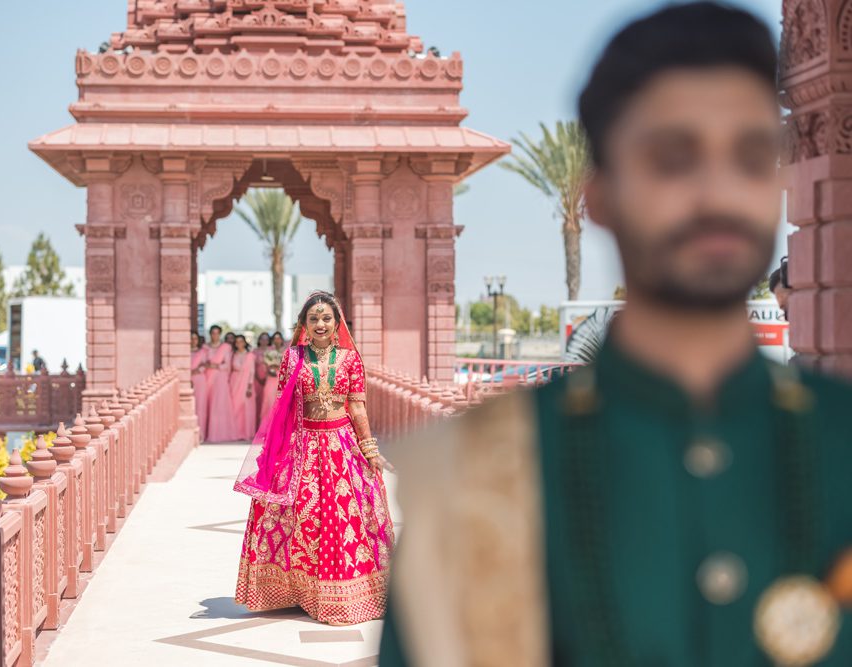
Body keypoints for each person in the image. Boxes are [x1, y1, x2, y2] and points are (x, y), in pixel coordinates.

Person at [380, 4, 852, 666]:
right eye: (673, 158)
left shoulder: (838, 443)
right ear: (597, 194)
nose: (717, 191)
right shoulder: (472, 478)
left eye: (749, 157)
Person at [234, 291, 395, 625]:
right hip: (303, 446)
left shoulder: (350, 360)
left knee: (342, 518)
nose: (320, 324)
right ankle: (297, 592)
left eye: (326, 318)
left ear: (337, 323)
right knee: (301, 521)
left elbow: (356, 406)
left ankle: (345, 592)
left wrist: (369, 449)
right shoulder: (293, 357)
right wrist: (274, 454)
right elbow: (282, 409)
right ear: (303, 324)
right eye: (313, 319)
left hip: (341, 446)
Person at [204, 325, 235, 443]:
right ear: (210, 334)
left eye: (217, 333)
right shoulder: (206, 347)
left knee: (219, 404)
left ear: (220, 334)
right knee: (208, 404)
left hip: (220, 378)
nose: (215, 335)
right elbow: (204, 362)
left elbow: (227, 365)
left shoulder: (225, 347)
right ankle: (207, 432)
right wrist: (208, 366)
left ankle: (220, 433)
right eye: (213, 333)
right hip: (207, 378)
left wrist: (216, 366)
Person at [228, 334, 257, 441]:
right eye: (237, 342)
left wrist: (249, 386)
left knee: (245, 408)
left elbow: (252, 371)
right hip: (234, 382)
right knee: (234, 408)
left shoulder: (250, 355)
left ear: (245, 342)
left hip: (246, 384)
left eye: (241, 341)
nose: (239, 343)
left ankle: (245, 433)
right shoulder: (232, 355)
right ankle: (234, 432)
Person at [259, 332, 286, 425]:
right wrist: (269, 369)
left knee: (281, 403)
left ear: (282, 339)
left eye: (279, 338)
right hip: (271, 378)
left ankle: (279, 427)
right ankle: (267, 427)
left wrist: (279, 367)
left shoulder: (286, 351)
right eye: (275, 338)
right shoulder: (268, 351)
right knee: (269, 401)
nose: (277, 340)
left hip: (282, 379)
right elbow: (264, 365)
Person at [191, 331, 209, 442]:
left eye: (195, 338)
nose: (193, 341)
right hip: (187, 379)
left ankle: (201, 434)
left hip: (200, 380)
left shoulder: (202, 352)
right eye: (191, 338)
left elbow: (206, 364)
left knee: (200, 406)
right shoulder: (184, 352)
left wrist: (198, 370)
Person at [253, 332, 272, 425]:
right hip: (256, 379)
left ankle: (266, 425)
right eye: (262, 339)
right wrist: (258, 378)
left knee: (267, 402)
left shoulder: (272, 350)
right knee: (257, 401)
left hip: (270, 379)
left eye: (266, 339)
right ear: (259, 340)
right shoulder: (255, 351)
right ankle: (256, 425)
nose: (264, 341)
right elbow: (252, 366)